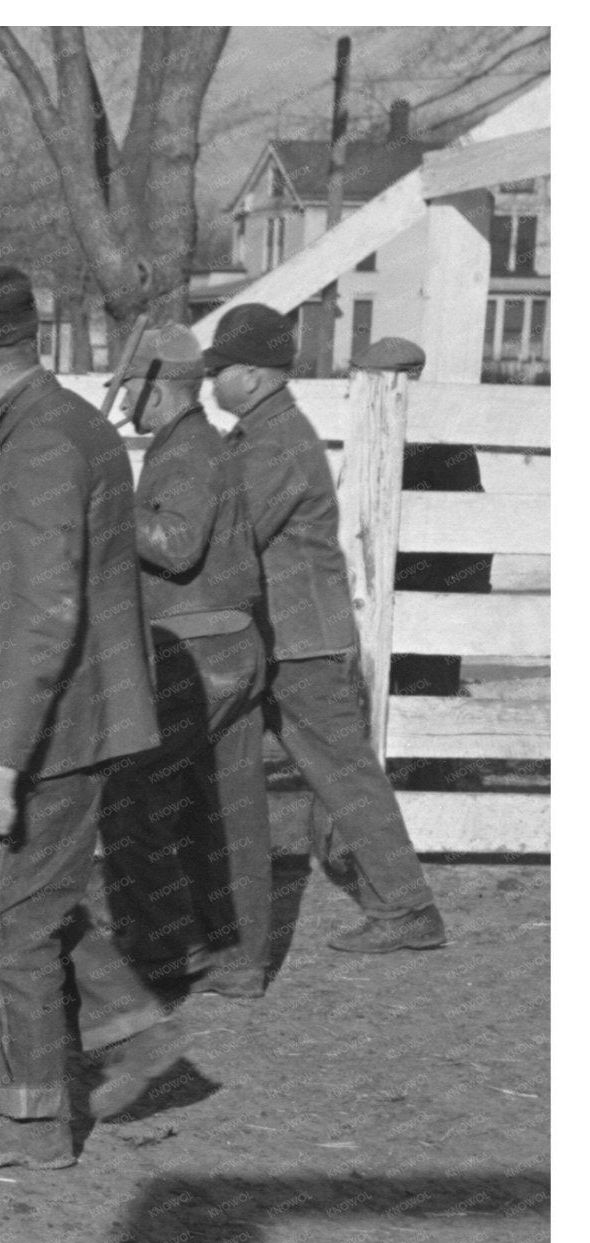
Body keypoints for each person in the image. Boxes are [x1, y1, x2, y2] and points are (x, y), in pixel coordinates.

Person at [0, 264, 183, 1172]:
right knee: (25, 907)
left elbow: (42, 612)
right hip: (70, 723)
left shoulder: (38, 447)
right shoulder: (62, 425)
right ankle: (134, 1030)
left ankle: (29, 1123)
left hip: (50, 733)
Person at [203, 304, 447, 954]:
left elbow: (230, 533)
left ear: (252, 376)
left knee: (343, 774)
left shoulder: (275, 442)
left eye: (219, 370)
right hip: (294, 638)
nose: (211, 381)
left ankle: (408, 906)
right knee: (335, 773)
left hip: (300, 643)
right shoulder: (263, 434)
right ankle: (395, 900)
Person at [98, 324, 272, 999]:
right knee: (228, 808)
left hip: (196, 654)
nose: (128, 409)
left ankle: (165, 955)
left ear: (159, 391)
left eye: (134, 395)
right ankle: (238, 959)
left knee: (135, 797)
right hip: (226, 644)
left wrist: (106, 499)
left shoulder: (188, 452)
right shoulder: (194, 445)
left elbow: (174, 544)